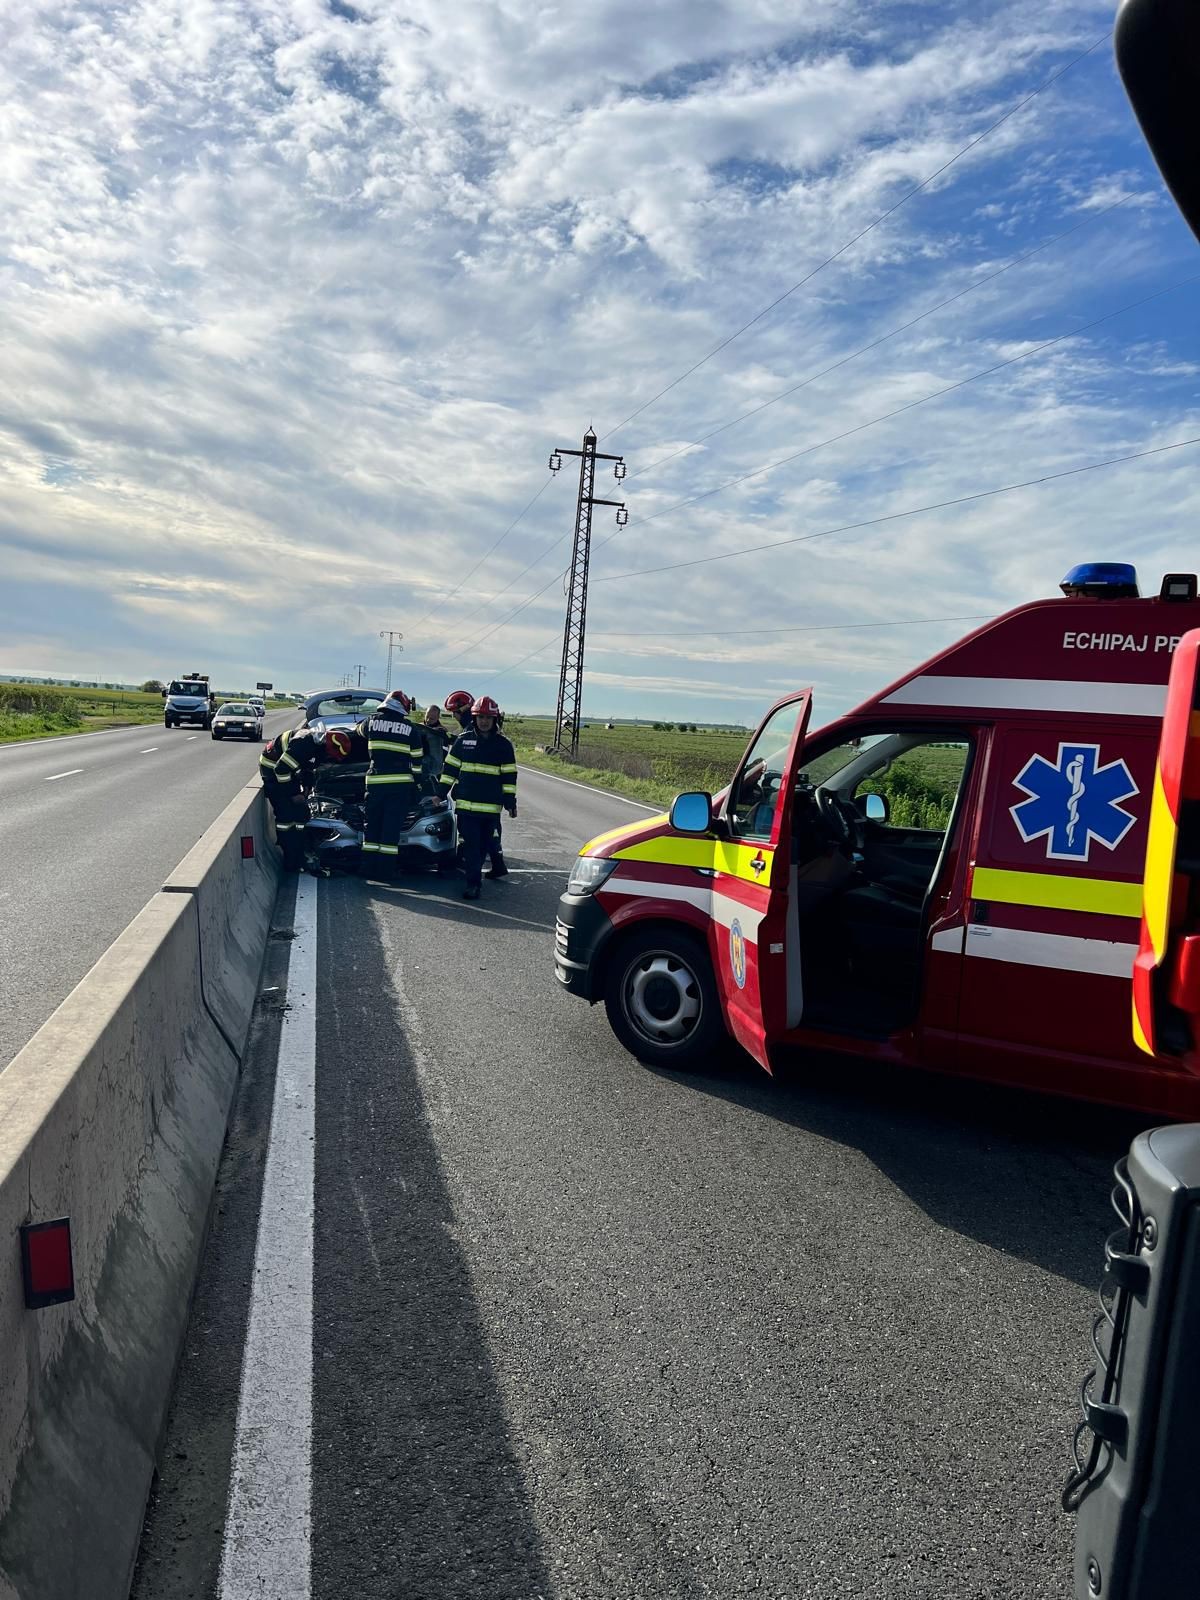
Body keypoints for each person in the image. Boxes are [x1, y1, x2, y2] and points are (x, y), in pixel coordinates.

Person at [439, 695, 517, 899]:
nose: (484, 721)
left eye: (488, 718)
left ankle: (476, 879)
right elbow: (450, 770)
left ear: (495, 719)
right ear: (474, 718)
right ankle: (473, 884)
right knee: (472, 846)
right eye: (480, 717)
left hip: (491, 809)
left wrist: (510, 802)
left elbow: (509, 776)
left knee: (482, 847)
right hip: (466, 807)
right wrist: (440, 793)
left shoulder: (503, 745)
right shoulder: (463, 741)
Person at [260, 727, 355, 870]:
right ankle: (290, 861)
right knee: (286, 816)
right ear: (329, 747)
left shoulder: (317, 746)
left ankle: (299, 854)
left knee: (301, 813)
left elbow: (307, 767)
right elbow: (281, 769)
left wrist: (307, 785)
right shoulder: (304, 744)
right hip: (273, 773)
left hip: (287, 773)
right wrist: (293, 794)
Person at [356, 689, 424, 873]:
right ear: (403, 707)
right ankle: (385, 870)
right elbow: (417, 761)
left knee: (372, 826)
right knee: (390, 829)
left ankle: (367, 868)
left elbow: (358, 731)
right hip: (399, 787)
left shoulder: (371, 721)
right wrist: (418, 783)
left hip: (375, 784)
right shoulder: (411, 729)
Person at [421, 702, 452, 791]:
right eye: (427, 716)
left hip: (435, 770)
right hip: (419, 768)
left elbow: (446, 752)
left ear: (438, 718)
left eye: (432, 718)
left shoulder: (442, 732)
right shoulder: (419, 728)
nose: (428, 720)